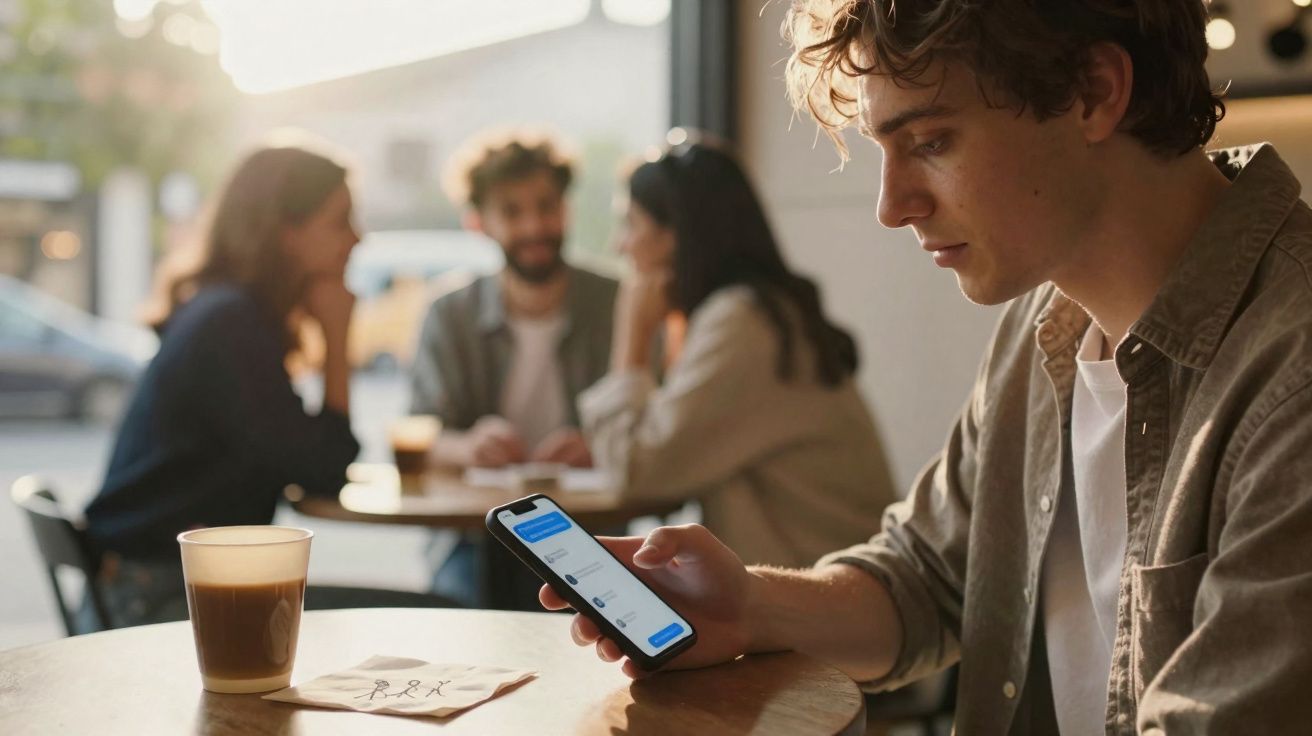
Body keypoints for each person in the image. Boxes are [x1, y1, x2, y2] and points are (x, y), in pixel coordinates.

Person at [543, 0, 1312, 732]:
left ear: (1094, 92)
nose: (891, 205)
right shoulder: (1043, 327)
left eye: (932, 141)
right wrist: (748, 606)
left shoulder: (1292, 369)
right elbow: (928, 579)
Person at [579, 139, 896, 568]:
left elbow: (638, 473)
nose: (620, 246)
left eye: (629, 223)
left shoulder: (742, 323)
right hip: (826, 574)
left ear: (674, 235)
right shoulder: (761, 310)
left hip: (822, 588)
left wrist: (632, 338)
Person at [83, 145, 362, 627]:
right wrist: (337, 339)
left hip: (151, 583)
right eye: (340, 222)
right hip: (160, 596)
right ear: (286, 232)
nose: (357, 238)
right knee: (434, 615)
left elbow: (303, 457)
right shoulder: (232, 324)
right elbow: (324, 469)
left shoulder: (223, 310)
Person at [409, 131, 617, 607]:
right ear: (478, 222)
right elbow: (420, 434)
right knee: (467, 614)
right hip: (474, 536)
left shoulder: (615, 304)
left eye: (546, 206)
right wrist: (469, 445)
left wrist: (600, 444)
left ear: (566, 209)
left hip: (589, 532)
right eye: (512, 211)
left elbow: (654, 426)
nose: (534, 226)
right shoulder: (450, 313)